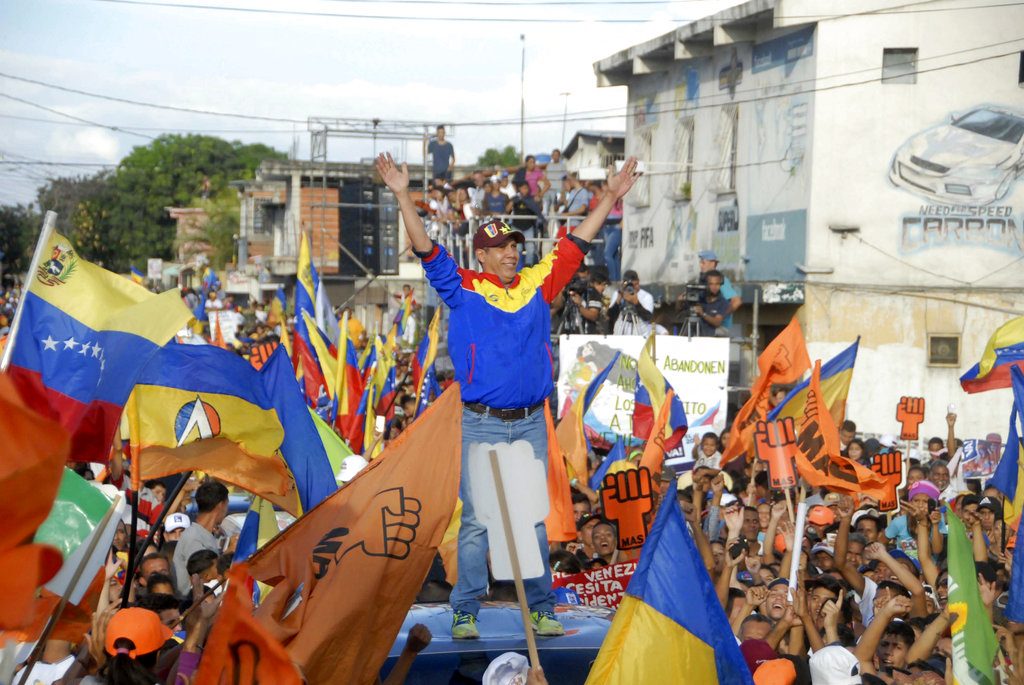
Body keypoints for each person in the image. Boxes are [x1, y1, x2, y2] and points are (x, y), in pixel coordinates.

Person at [375, 151, 641, 641]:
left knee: (530, 519)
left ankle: (539, 606)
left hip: (529, 423)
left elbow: (578, 241)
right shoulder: (462, 287)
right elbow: (425, 246)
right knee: (477, 521)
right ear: (482, 255)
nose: (512, 253)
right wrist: (400, 194)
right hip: (481, 421)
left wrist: (610, 196)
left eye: (515, 246)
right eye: (501, 248)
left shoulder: (538, 283)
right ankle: (465, 610)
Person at [171, 481, 229, 596]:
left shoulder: (202, 534)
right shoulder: (194, 538)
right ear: (221, 505)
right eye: (227, 504)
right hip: (192, 607)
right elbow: (205, 575)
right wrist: (230, 552)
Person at [697, 250, 742, 328]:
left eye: (703, 263)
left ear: (712, 263)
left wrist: (721, 316)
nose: (701, 265)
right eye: (700, 263)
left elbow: (737, 301)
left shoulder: (720, 280)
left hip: (719, 328)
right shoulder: (703, 280)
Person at [607, 270, 654, 336]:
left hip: (639, 332)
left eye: (635, 284)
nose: (633, 288)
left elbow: (647, 317)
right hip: (621, 331)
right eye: (630, 285)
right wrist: (618, 300)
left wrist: (636, 302)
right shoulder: (618, 294)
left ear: (638, 282)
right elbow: (611, 315)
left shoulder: (646, 296)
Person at [693, 269, 730, 337]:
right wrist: (680, 300)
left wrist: (703, 314)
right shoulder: (699, 299)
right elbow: (679, 310)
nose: (714, 287)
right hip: (697, 335)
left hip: (713, 338)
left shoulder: (723, 302)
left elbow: (717, 322)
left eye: (717, 284)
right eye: (711, 284)